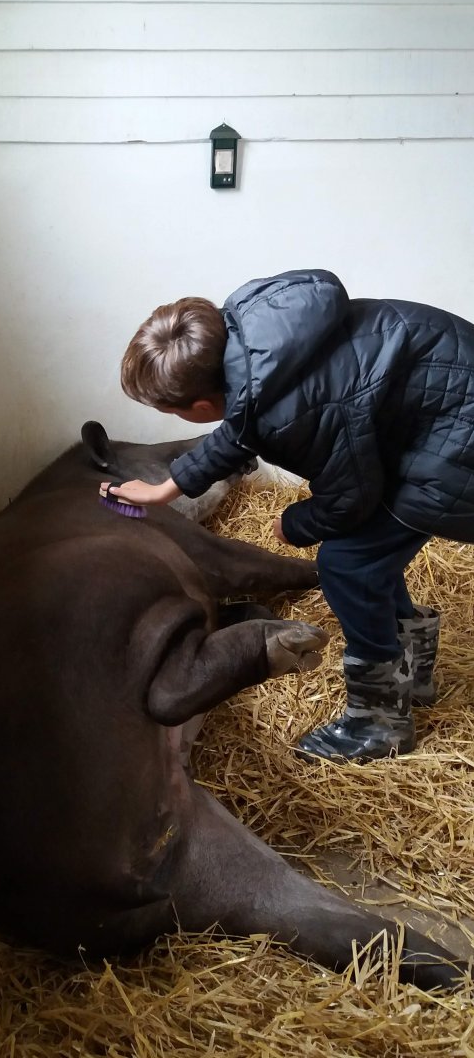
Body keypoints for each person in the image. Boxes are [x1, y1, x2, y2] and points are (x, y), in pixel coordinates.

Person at [102, 270, 474, 762]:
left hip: (458, 446)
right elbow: (241, 428)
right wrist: (167, 487)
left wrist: (295, 524)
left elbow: (350, 499)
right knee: (368, 557)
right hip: (445, 409)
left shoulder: (286, 410)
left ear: (198, 405)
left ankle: (378, 724)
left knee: (347, 565)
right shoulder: (252, 341)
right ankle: (413, 677)